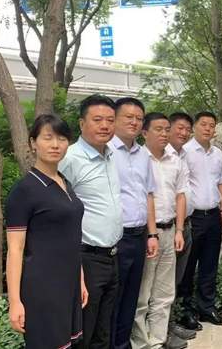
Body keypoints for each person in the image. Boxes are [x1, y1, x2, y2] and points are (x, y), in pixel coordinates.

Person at [6, 114, 87, 348]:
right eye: (48, 137)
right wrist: (15, 302)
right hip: (42, 286)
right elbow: (15, 249)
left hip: (68, 283)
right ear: (33, 142)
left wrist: (80, 279)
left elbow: (71, 237)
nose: (55, 145)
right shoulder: (25, 190)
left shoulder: (64, 182)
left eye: (62, 139)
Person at [59, 94, 122, 349]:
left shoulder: (111, 155)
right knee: (83, 331)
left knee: (102, 331)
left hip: (112, 256)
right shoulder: (70, 159)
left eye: (110, 120)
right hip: (86, 259)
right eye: (97, 120)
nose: (105, 125)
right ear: (82, 123)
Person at [132, 113, 188, 349]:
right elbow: (143, 198)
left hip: (170, 230)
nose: (164, 134)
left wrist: (179, 230)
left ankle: (157, 340)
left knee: (164, 292)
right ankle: (140, 342)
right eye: (158, 129)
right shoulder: (137, 159)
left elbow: (181, 195)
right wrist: (151, 233)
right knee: (142, 294)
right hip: (148, 235)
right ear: (144, 132)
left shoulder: (175, 160)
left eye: (167, 129)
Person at [110, 97, 158, 349]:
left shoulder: (143, 155)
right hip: (114, 238)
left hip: (139, 237)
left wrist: (152, 234)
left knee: (131, 296)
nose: (134, 122)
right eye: (128, 117)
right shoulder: (105, 151)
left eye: (139, 118)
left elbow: (148, 194)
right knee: (113, 298)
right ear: (115, 118)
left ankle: (123, 343)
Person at [179, 111, 222, 329]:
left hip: (214, 216)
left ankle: (207, 307)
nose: (208, 128)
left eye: (212, 125)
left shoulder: (217, 153)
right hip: (193, 217)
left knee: (210, 264)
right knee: (188, 266)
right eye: (204, 124)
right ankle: (186, 310)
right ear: (195, 127)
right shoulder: (185, 152)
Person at [167, 113, 198, 342]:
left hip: (184, 225)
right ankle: (160, 333)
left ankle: (170, 324)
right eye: (180, 128)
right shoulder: (160, 155)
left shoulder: (183, 155)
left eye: (188, 129)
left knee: (175, 281)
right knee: (162, 285)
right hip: (167, 228)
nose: (184, 133)